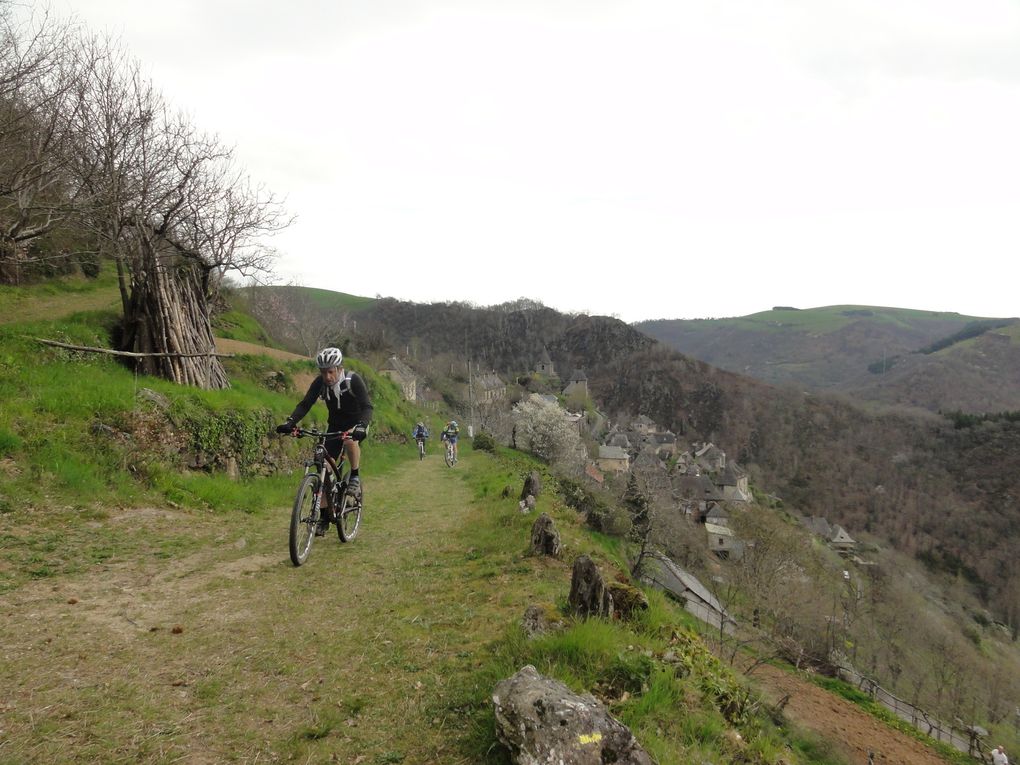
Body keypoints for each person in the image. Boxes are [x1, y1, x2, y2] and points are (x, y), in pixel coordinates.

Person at [276, 347, 373, 535]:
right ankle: (324, 517)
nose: (327, 376)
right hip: (334, 426)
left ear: (339, 368)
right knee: (324, 470)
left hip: (357, 423)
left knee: (350, 441)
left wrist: (361, 426)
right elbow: (305, 404)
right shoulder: (319, 383)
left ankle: (354, 475)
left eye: (330, 371)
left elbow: (367, 406)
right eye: (323, 372)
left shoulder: (353, 380)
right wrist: (290, 422)